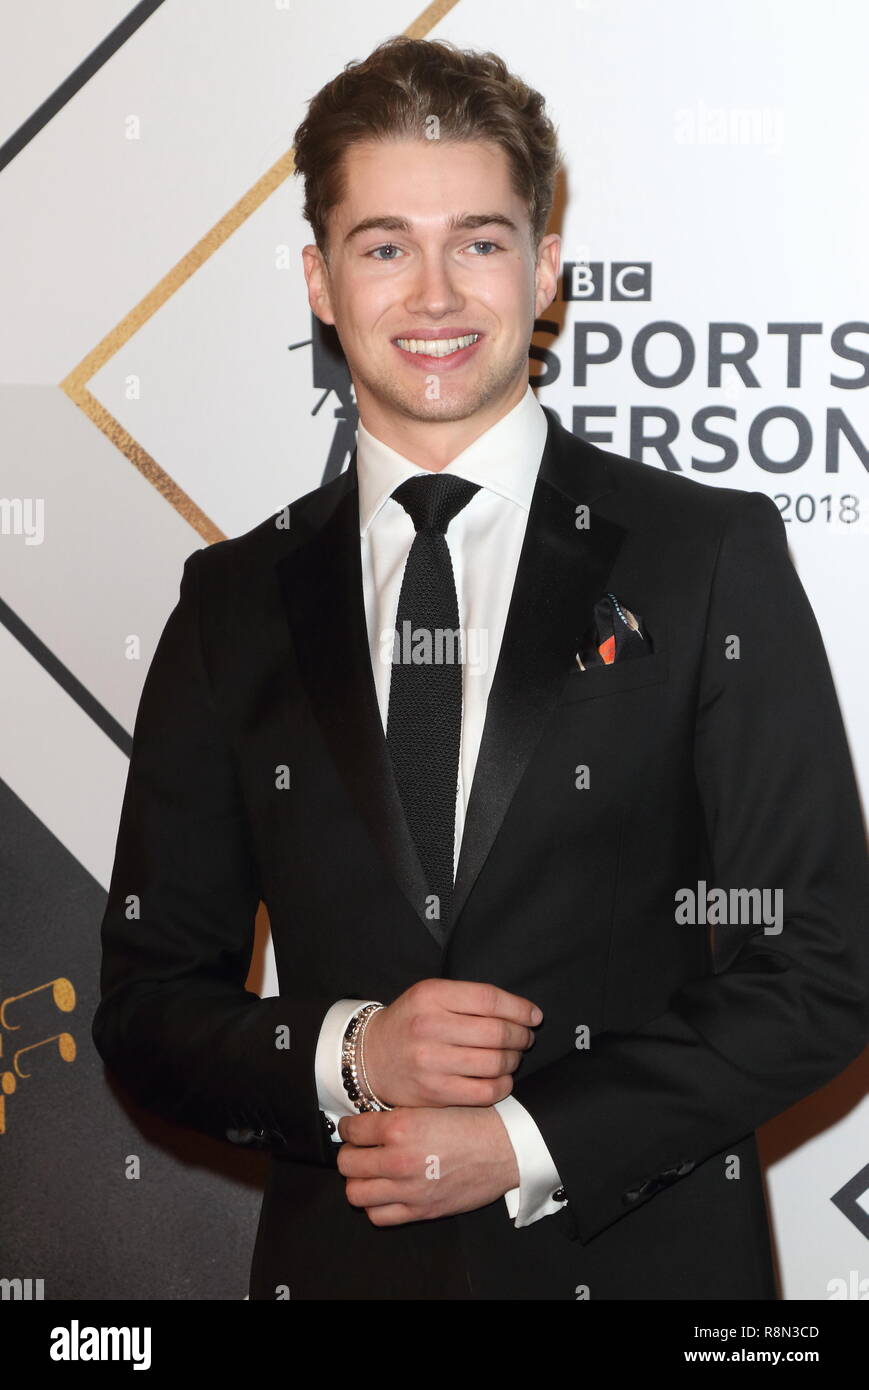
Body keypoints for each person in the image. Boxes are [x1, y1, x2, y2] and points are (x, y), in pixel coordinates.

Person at [92, 35, 869, 1301]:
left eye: (482, 241)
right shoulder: (232, 602)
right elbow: (146, 1006)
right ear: (319, 282)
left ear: (546, 267)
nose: (437, 295)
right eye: (386, 245)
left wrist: (521, 1142)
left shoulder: (705, 555)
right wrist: (354, 1057)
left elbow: (820, 967)